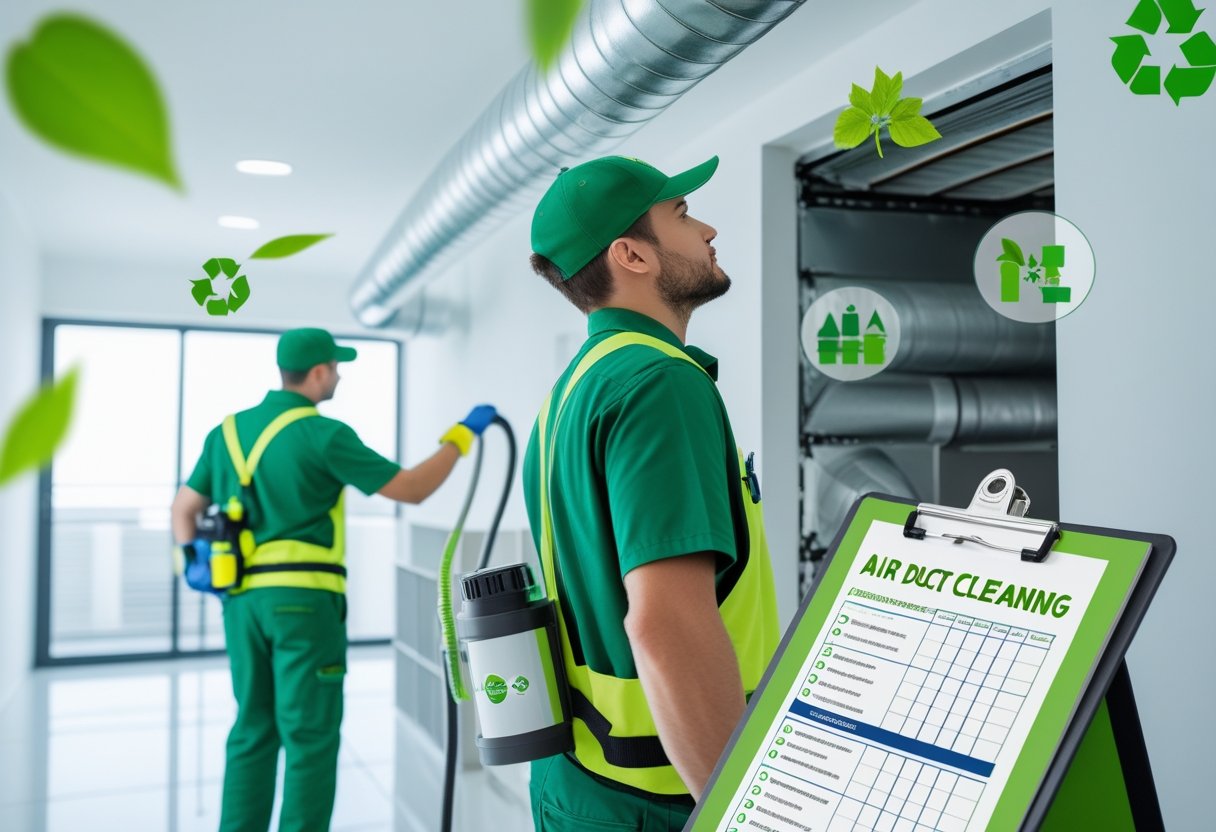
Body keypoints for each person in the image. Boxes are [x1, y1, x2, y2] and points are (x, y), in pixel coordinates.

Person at [523, 155, 780, 830]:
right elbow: (665, 624)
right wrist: (736, 810)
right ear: (631, 254)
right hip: (664, 795)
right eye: (683, 215)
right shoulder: (658, 382)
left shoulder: (571, 390)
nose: (708, 230)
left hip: (581, 777)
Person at [170, 327, 495, 832]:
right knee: (310, 736)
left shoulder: (227, 433)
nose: (339, 377)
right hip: (303, 605)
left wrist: (191, 562)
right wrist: (461, 436)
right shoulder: (323, 434)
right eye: (337, 368)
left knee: (252, 728)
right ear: (318, 372)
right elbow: (413, 488)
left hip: (241, 603)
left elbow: (183, 509)